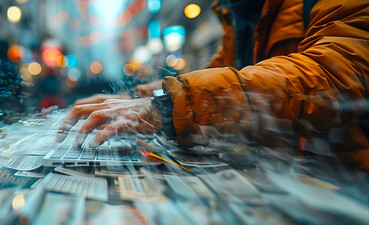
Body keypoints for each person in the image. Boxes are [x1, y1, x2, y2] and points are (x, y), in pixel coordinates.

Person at [56, 0, 369, 171]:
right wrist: (132, 98)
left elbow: (335, 74)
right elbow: (212, 75)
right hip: (304, 178)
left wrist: (162, 108)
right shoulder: (241, 12)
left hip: (351, 185)